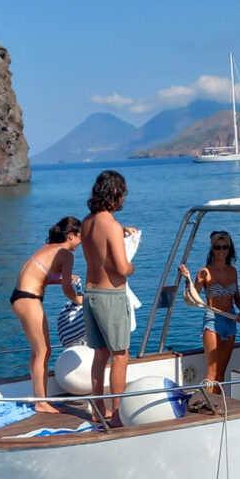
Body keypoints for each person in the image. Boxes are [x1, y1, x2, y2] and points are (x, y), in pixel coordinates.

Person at [10, 216, 83, 413]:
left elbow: (41, 276)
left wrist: (58, 280)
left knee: (40, 351)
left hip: (20, 297)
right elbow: (68, 289)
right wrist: (77, 299)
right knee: (43, 351)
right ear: (71, 235)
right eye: (80, 236)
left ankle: (40, 398)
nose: (82, 241)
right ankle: (41, 402)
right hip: (29, 299)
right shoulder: (66, 254)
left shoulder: (48, 248)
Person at [81, 170, 134, 425]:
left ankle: (98, 409)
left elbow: (98, 249)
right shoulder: (111, 225)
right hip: (110, 296)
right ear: (115, 193)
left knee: (99, 356)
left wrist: (121, 232)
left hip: (90, 294)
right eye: (122, 194)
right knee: (120, 355)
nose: (122, 199)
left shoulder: (86, 222)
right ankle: (118, 414)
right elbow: (121, 268)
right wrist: (131, 266)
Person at [178, 230, 240, 383]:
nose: (221, 250)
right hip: (213, 320)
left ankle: (217, 405)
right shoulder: (204, 272)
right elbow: (193, 297)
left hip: (231, 319)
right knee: (212, 372)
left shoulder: (232, 271)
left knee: (221, 371)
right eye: (217, 247)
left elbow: (237, 297)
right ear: (212, 249)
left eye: (224, 247)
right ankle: (209, 405)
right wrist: (187, 278)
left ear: (229, 248)